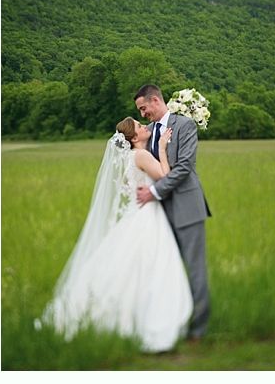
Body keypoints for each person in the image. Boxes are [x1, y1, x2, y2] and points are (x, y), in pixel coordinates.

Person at [38, 118, 192, 352]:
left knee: (130, 264)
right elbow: (164, 175)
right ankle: (142, 316)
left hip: (136, 212)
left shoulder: (129, 159)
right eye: (140, 127)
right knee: (151, 264)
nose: (144, 127)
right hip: (147, 215)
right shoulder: (141, 155)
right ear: (133, 139)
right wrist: (162, 147)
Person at [134, 84, 212, 341]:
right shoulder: (148, 133)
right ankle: (172, 321)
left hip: (187, 208)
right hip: (159, 215)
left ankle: (198, 330)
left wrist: (153, 192)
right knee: (167, 270)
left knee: (194, 269)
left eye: (143, 108)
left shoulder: (185, 126)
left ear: (155, 100)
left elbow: (184, 168)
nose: (142, 114)